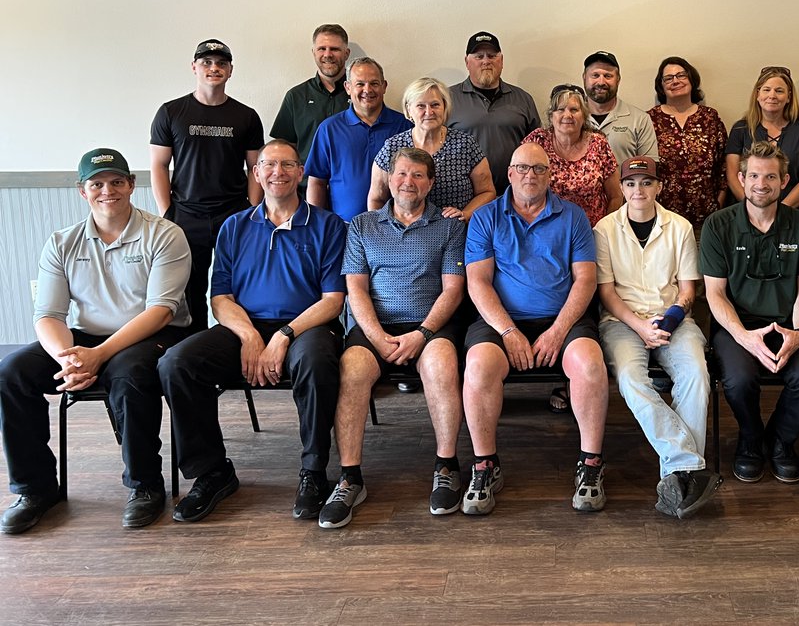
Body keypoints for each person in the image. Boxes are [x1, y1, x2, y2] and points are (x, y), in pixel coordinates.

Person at [0, 148, 191, 534]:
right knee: (11, 373)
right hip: (83, 338)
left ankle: (144, 486)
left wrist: (99, 355)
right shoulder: (62, 242)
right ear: (82, 192)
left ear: (132, 185)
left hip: (152, 331)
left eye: (117, 181)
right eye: (98, 184)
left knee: (129, 374)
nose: (109, 190)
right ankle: (35, 490)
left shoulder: (164, 234)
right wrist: (68, 359)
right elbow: (48, 316)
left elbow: (160, 311)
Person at [159, 140, 347, 523]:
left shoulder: (327, 225)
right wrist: (249, 336)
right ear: (256, 173)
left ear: (299, 173)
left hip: (307, 325)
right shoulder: (234, 227)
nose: (278, 172)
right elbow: (221, 297)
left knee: (315, 361)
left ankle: (313, 472)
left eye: (287, 165)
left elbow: (333, 300)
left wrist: (283, 336)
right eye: (269, 165)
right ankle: (211, 472)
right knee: (176, 363)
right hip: (245, 326)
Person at [320, 147, 467, 528]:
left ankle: (447, 466)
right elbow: (357, 290)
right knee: (351, 371)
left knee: (442, 366)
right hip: (375, 327)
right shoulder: (361, 225)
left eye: (418, 175)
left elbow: (453, 290)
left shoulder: (450, 226)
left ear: (431, 183)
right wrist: (378, 337)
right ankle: (350, 477)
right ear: (388, 179)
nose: (408, 182)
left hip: (430, 325)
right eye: (401, 173)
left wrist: (422, 334)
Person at [460, 143, 608, 515]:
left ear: (550, 175)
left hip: (563, 318)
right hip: (500, 320)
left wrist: (558, 331)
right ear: (509, 173)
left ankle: (591, 464)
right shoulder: (485, 217)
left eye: (539, 169)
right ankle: (485, 466)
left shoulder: (573, 217)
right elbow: (478, 283)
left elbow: (586, 280)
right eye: (522, 168)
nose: (530, 175)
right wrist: (509, 332)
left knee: (590, 365)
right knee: (478, 367)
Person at [594, 156, 720, 518]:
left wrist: (669, 320)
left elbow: (688, 289)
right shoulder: (604, 229)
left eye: (646, 183)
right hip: (623, 322)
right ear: (621, 188)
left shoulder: (679, 227)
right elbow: (607, 293)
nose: (638, 190)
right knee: (632, 380)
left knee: (696, 372)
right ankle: (689, 465)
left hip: (673, 320)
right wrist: (639, 326)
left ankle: (677, 478)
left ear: (659, 187)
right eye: (631, 183)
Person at [700, 141, 799, 484]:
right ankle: (751, 439)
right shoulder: (718, 225)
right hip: (737, 327)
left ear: (785, 181)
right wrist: (744, 338)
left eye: (771, 176)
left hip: (789, 324)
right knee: (738, 381)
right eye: (753, 175)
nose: (761, 183)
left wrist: (798, 334)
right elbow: (715, 293)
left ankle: (781, 440)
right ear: (741, 178)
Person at [149, 39, 264, 329]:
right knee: (191, 290)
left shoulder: (246, 116)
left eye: (221, 63)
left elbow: (255, 168)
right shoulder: (170, 112)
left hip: (234, 214)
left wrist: (252, 209)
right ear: (194, 68)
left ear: (230, 70)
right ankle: (194, 347)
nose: (214, 68)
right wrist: (168, 212)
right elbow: (159, 165)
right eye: (207, 63)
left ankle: (237, 346)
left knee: (237, 287)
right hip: (187, 216)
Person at [367, 76, 495, 220]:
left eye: (435, 105)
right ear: (409, 110)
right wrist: (381, 231)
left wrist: (466, 214)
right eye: (421, 106)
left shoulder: (466, 144)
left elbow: (487, 192)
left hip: (456, 233)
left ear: (445, 107)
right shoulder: (392, 147)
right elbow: (376, 198)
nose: (429, 112)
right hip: (403, 236)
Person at [305, 57, 411, 222]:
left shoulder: (405, 127)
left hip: (394, 229)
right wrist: (317, 225)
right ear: (348, 87)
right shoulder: (329, 129)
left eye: (374, 83)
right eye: (360, 84)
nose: (367, 90)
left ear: (384, 86)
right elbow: (317, 182)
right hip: (342, 228)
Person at [446, 32, 540, 195]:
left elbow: (536, 146)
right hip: (464, 197)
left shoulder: (523, 99)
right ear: (467, 62)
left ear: (501, 61)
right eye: (479, 56)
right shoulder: (447, 99)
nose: (486, 61)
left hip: (514, 195)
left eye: (491, 56)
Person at [522, 84, 620, 227]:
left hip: (591, 232)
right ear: (551, 116)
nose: (567, 115)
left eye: (574, 109)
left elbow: (616, 196)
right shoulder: (537, 141)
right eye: (560, 109)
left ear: (584, 115)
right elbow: (519, 185)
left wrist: (606, 230)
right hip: (544, 231)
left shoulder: (599, 144)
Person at [648, 56, 727, 231]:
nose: (675, 81)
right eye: (668, 78)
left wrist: (719, 204)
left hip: (707, 218)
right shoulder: (650, 120)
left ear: (691, 79)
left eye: (681, 75)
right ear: (661, 85)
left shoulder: (709, 117)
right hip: (662, 220)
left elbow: (724, 165)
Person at [270, 24, 352, 186]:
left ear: (346, 53)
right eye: (322, 49)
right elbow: (283, 151)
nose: (327, 55)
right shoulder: (296, 96)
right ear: (313, 52)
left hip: (349, 189)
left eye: (334, 49)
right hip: (304, 190)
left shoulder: (362, 95)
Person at [725, 66, 799, 210]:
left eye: (779, 91)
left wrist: (779, 211)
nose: (772, 96)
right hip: (747, 214)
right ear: (757, 94)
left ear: (788, 97)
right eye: (766, 90)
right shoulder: (740, 129)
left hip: (791, 213)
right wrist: (752, 209)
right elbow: (732, 176)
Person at [581, 50, 659, 164]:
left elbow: (649, 167)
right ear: (584, 78)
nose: (601, 82)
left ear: (618, 79)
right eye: (595, 75)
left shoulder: (640, 119)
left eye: (608, 76)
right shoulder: (570, 119)